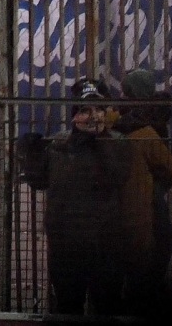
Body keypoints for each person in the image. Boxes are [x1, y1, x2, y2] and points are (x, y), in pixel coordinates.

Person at [19, 80, 129, 316]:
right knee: (68, 309)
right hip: (66, 247)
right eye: (86, 110)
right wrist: (32, 155)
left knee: (107, 309)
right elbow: (38, 181)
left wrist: (99, 144)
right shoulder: (59, 145)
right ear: (74, 116)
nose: (94, 116)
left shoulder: (118, 142)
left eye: (99, 110)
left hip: (105, 246)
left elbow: (118, 177)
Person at [114, 69, 172, 314]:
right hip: (151, 193)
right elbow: (170, 170)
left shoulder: (124, 125)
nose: (121, 97)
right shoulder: (157, 118)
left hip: (133, 199)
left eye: (125, 92)